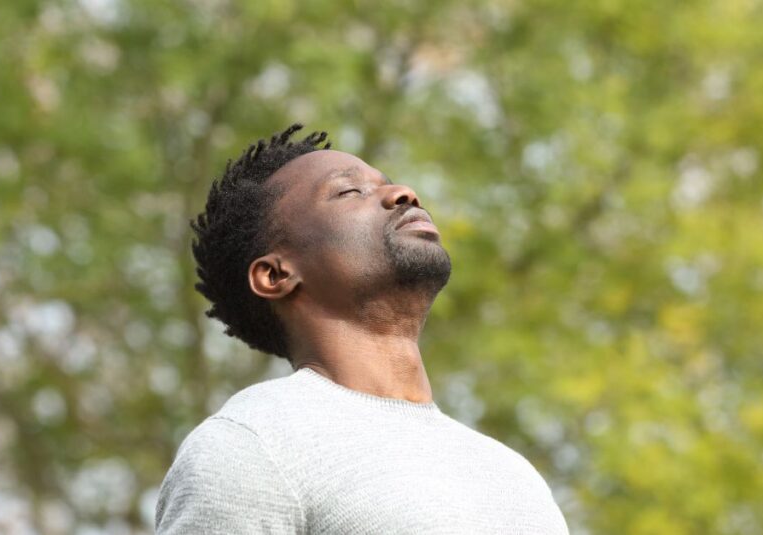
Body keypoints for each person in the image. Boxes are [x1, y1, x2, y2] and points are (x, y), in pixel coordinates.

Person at [154, 123, 570, 534]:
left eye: (388, 184)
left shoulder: (512, 476)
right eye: (350, 192)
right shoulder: (252, 446)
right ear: (276, 275)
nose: (403, 193)